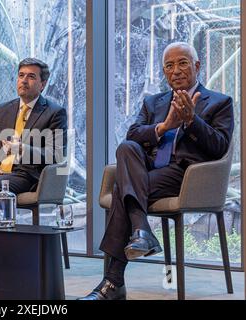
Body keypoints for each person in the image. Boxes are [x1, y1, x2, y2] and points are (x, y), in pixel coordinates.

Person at [78, 42, 234, 300]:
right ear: (164, 72)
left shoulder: (219, 102)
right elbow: (133, 134)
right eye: (169, 66)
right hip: (148, 171)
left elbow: (219, 147)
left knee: (121, 190)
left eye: (182, 63)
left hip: (186, 177)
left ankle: (114, 281)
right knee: (128, 147)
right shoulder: (153, 102)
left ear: (197, 66)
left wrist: (191, 121)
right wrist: (163, 126)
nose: (176, 71)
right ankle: (140, 232)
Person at [0, 58, 68, 222]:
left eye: (31, 77)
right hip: (2, 170)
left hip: (30, 175)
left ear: (43, 84)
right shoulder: (3, 109)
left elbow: (55, 154)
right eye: (21, 75)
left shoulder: (54, 113)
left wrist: (23, 149)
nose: (24, 81)